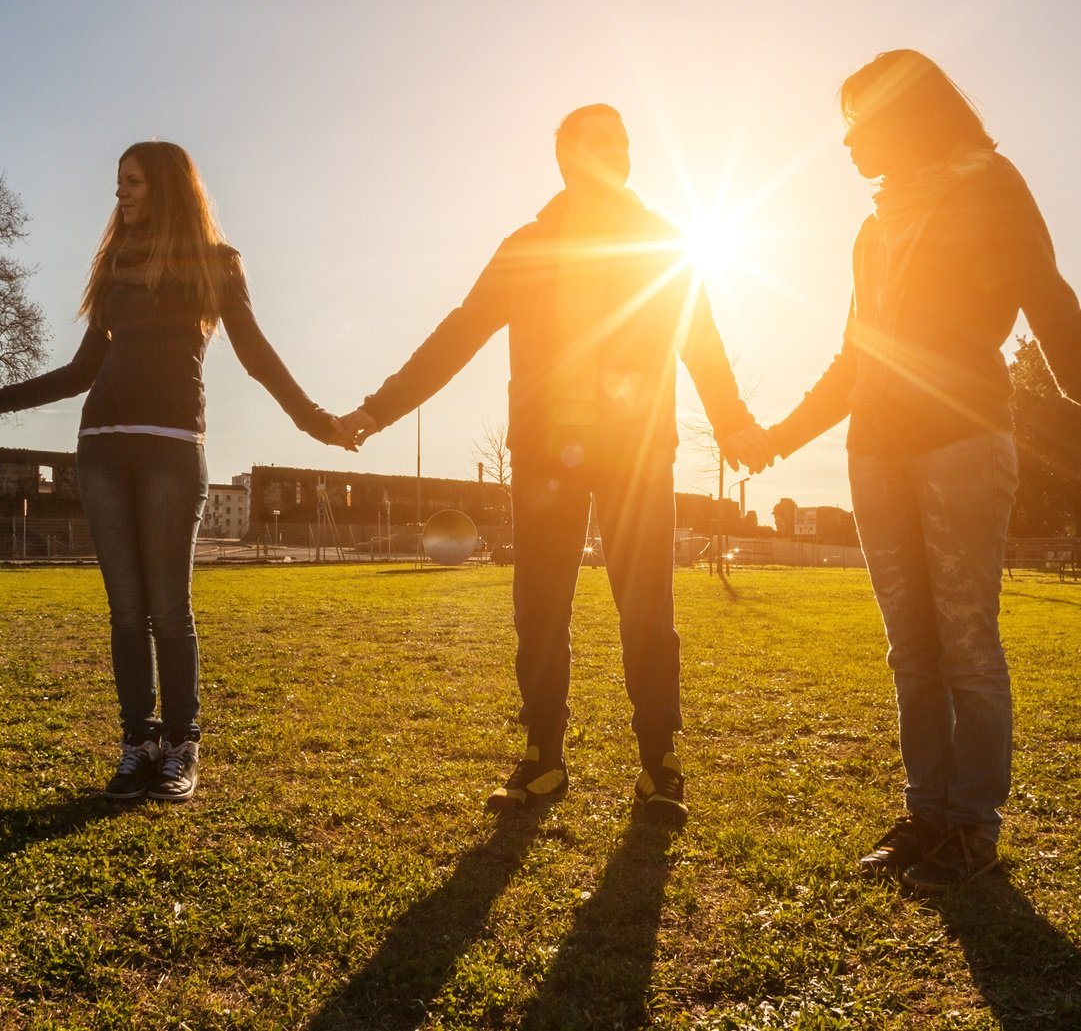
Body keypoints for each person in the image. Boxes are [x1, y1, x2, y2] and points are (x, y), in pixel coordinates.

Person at [341, 104, 768, 823]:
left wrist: (733, 422)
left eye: (623, 143)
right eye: (597, 141)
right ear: (564, 154)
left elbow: (700, 338)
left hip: (635, 455)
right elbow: (459, 332)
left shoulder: (661, 242)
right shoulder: (528, 245)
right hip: (546, 460)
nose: (615, 153)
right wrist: (378, 408)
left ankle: (659, 764)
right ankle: (542, 758)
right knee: (539, 609)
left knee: (647, 612)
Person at [759, 50, 1081, 890]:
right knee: (912, 651)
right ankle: (925, 815)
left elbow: (1048, 301)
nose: (847, 142)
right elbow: (853, 358)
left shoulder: (987, 185)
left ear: (907, 113)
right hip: (875, 450)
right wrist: (777, 437)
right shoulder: (871, 229)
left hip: (962, 441)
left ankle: (969, 828)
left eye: (858, 121)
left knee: (967, 643)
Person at [0, 141, 351, 803]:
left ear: (163, 185)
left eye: (131, 182)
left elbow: (252, 353)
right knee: (126, 613)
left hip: (170, 449)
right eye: (117, 183)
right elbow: (81, 373)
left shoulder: (215, 265)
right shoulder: (114, 269)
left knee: (168, 607)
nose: (120, 195)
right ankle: (137, 745)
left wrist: (312, 419)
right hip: (101, 447)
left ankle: (181, 745)